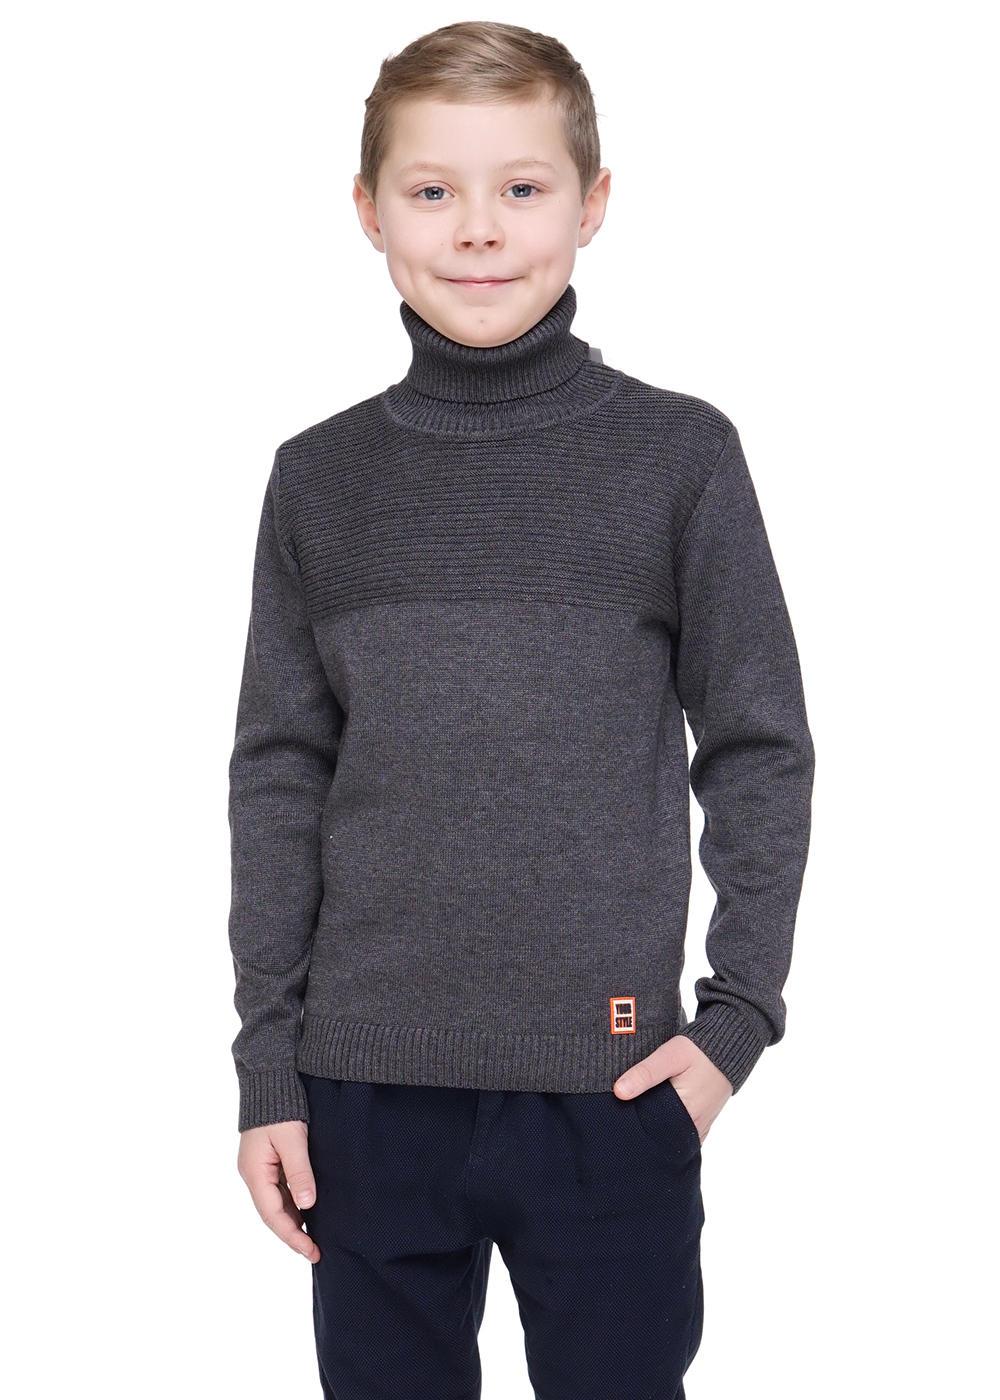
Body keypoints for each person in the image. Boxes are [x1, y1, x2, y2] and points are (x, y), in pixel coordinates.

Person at [227, 19, 815, 1399]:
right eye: (433, 190)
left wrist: (734, 1024)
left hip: (613, 1092)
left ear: (592, 204)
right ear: (368, 211)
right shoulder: (319, 480)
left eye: (524, 187)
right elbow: (279, 777)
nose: (479, 229)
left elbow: (759, 748)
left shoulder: (679, 457)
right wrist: (269, 1071)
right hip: (362, 1097)